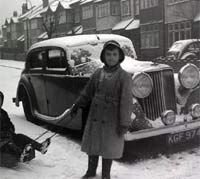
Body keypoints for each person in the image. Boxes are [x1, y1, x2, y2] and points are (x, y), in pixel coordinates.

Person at [70, 40, 133, 179]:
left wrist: (124, 123)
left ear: (120, 57)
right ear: (103, 56)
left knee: (107, 147)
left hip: (112, 118)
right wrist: (77, 105)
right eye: (108, 54)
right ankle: (91, 171)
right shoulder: (98, 73)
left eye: (114, 54)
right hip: (95, 115)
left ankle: (106, 174)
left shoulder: (124, 76)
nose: (111, 57)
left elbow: (126, 102)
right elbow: (87, 92)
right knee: (93, 144)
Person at [0, 91, 51, 168]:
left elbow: (10, 125)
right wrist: (4, 133)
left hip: (8, 135)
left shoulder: (3, 113)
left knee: (20, 137)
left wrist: (10, 130)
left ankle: (40, 147)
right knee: (8, 143)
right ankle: (20, 154)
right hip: (2, 140)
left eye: (0, 100)